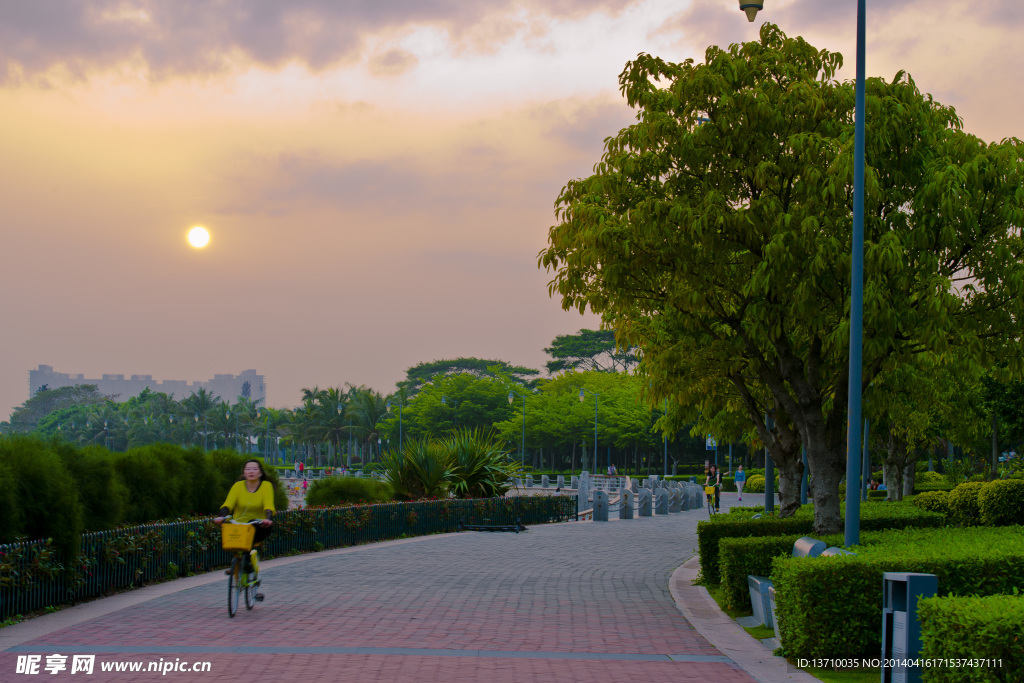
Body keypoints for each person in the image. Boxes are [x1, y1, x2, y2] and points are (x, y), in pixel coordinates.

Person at [213, 459, 275, 596]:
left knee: (251, 534)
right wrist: (222, 516)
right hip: (239, 524)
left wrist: (268, 519)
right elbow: (228, 504)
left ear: (260, 473)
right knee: (231, 538)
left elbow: (269, 505)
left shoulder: (266, 486)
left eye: (254, 469)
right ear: (243, 472)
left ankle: (248, 566)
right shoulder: (237, 486)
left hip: (258, 525)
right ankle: (238, 565)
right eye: (248, 469)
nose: (251, 471)